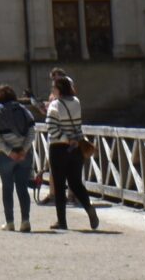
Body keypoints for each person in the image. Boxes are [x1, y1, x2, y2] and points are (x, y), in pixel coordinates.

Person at [43, 70, 99, 232]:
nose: (52, 90)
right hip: (76, 148)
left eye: (54, 87)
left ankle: (62, 221)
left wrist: (66, 138)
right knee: (75, 182)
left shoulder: (55, 104)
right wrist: (73, 139)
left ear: (59, 89)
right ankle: (88, 208)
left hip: (59, 148)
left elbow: (52, 128)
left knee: (59, 185)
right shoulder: (76, 101)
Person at [0, 81, 39, 231]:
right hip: (24, 155)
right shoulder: (23, 110)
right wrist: (23, 149)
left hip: (5, 156)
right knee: (22, 188)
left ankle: (9, 222)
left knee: (7, 188)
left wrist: (10, 152)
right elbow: (32, 131)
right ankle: (25, 221)